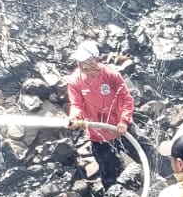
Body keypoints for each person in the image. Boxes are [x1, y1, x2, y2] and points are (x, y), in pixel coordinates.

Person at [65, 40, 159, 188]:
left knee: (150, 156)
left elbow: (126, 99)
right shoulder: (75, 82)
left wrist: (124, 121)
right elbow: (76, 104)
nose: (82, 66)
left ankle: (175, 177)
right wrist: (75, 117)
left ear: (95, 59)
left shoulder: (111, 75)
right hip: (99, 135)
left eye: (86, 61)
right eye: (80, 62)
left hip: (122, 128)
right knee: (109, 174)